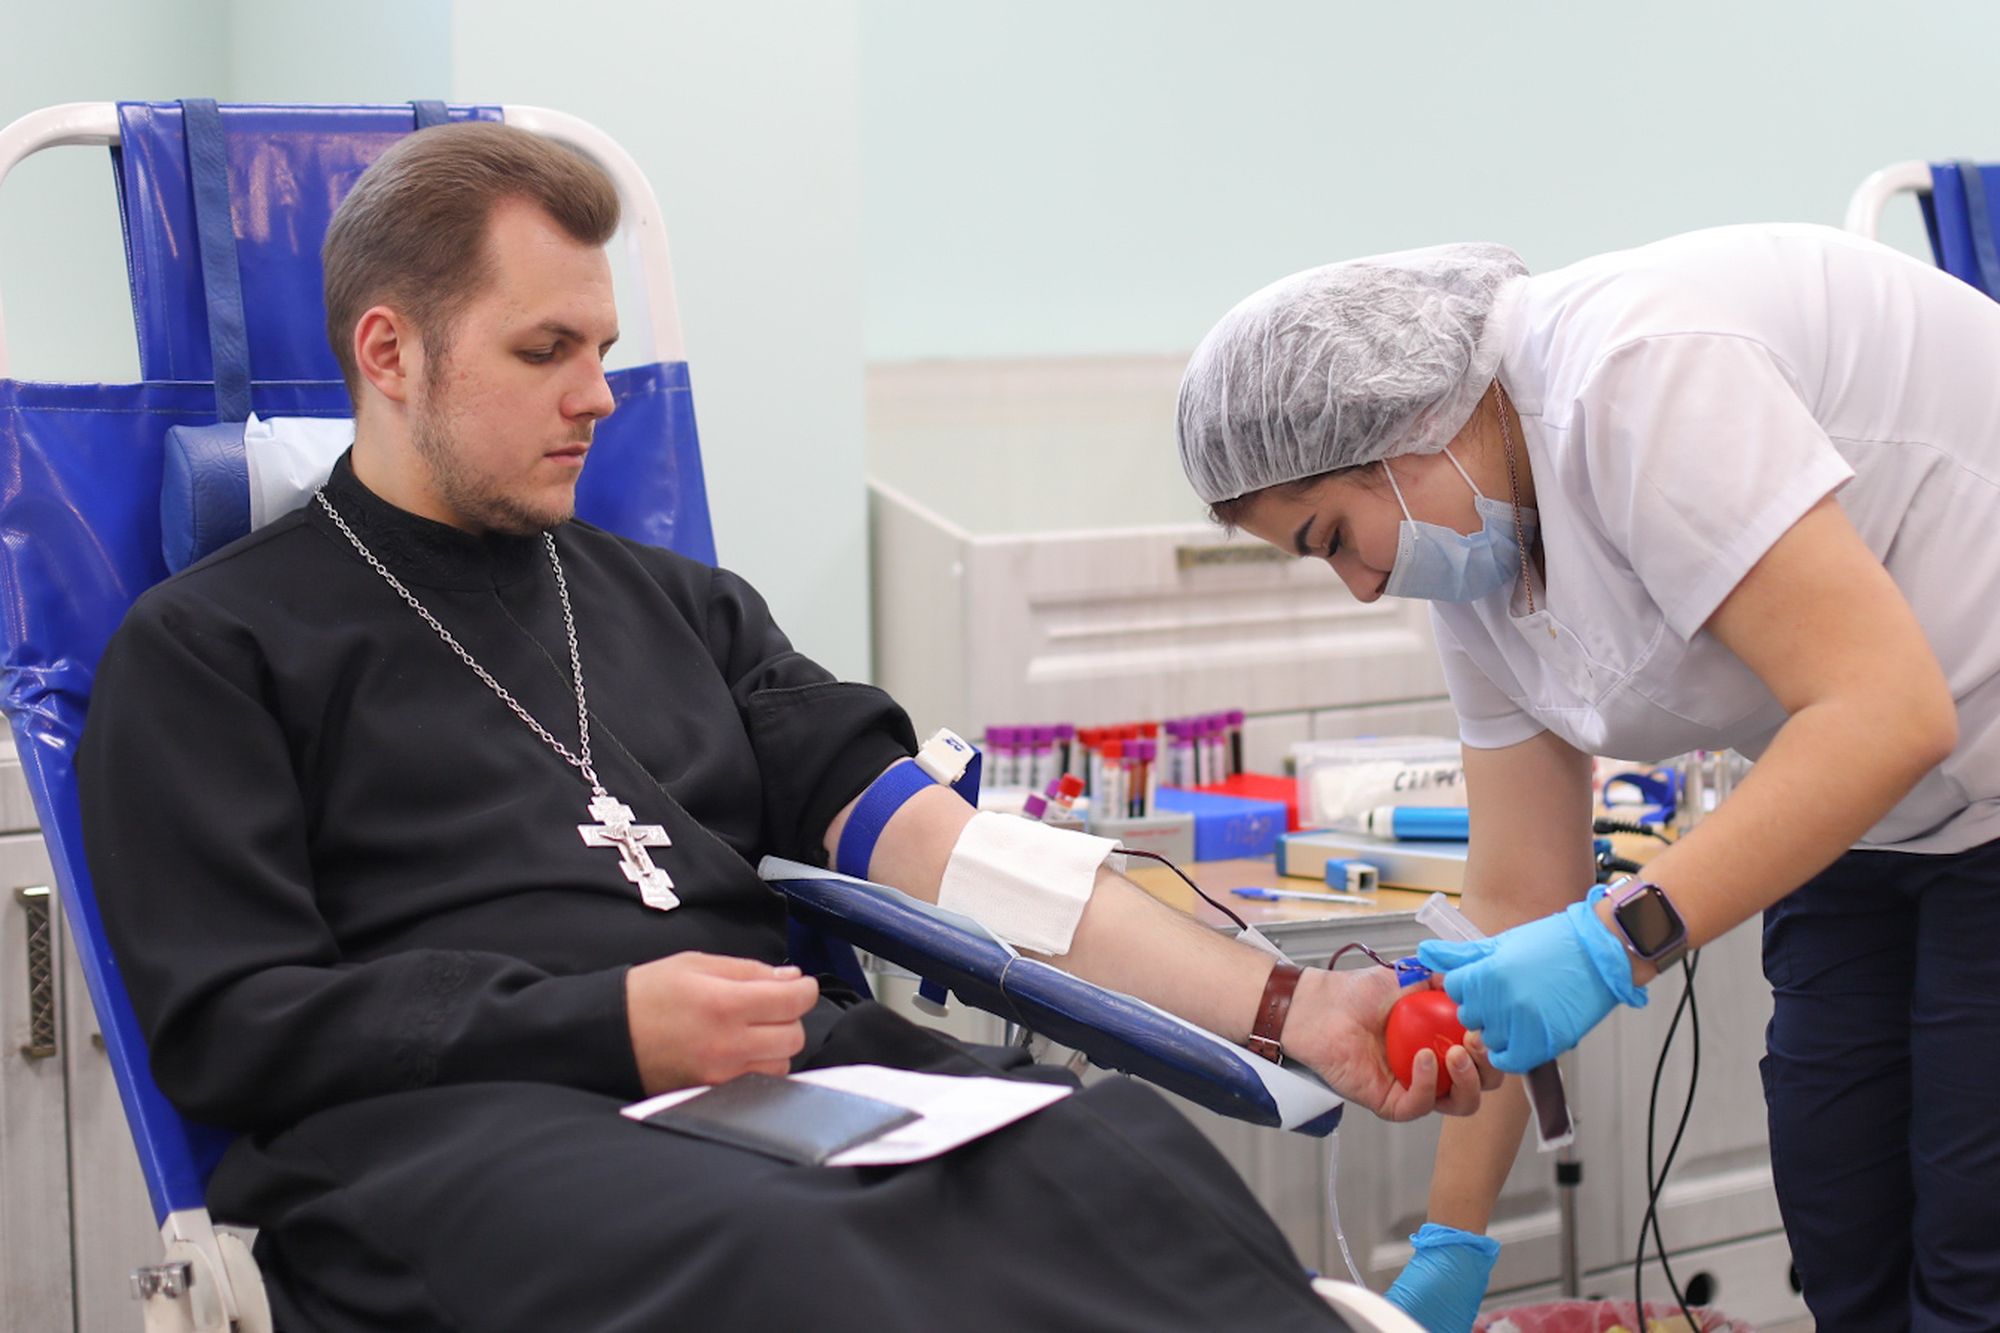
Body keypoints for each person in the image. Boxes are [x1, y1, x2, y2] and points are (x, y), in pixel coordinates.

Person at [78, 121, 1497, 1333]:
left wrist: (1289, 1004)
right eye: (544, 349)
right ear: (389, 351)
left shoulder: (678, 607)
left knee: (1111, 1155)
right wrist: (609, 1021)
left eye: (604, 346)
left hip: (772, 1074)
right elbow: (233, 1024)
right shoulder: (210, 650)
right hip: (454, 1128)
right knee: (807, 1262)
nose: (597, 394)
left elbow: (945, 850)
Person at [1177, 226, 2000, 1332]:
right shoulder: (1476, 564)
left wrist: (1614, 941)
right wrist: (1452, 1241)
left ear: (1403, 426)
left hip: (1945, 751)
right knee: (1842, 1217)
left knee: (1974, 1254)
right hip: (1870, 814)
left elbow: (1885, 709)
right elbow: (1516, 899)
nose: (1359, 586)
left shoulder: (1635, 377)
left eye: (1332, 536)